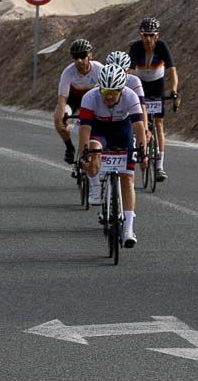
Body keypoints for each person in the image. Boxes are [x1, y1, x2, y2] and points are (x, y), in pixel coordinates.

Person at [77, 63, 148, 248]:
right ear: (100, 88)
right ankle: (97, 188)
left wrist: (143, 151)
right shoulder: (90, 97)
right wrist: (84, 154)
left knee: (127, 179)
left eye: (114, 92)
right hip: (99, 132)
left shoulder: (130, 96)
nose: (109, 96)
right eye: (106, 91)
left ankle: (128, 230)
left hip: (123, 132)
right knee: (92, 162)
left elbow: (139, 127)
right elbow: (85, 129)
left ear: (121, 90)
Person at [128, 17, 178, 182]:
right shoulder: (135, 47)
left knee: (159, 124)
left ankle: (159, 166)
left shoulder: (162, 46)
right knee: (141, 122)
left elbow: (171, 71)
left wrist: (174, 91)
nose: (148, 39)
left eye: (151, 35)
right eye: (145, 35)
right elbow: (129, 71)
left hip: (157, 85)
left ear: (157, 36)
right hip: (141, 85)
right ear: (141, 35)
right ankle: (142, 150)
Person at [54, 38, 103, 166]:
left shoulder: (99, 69)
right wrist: (61, 118)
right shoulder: (68, 72)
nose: (79, 60)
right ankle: (69, 147)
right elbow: (62, 99)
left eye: (82, 56)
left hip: (93, 99)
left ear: (90, 55)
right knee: (58, 119)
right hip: (74, 99)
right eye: (76, 57)